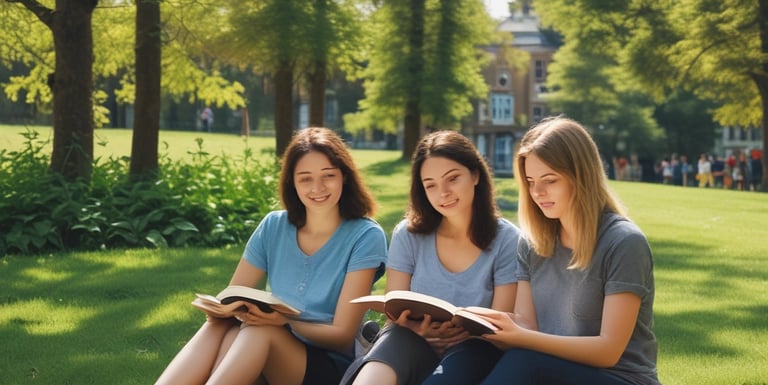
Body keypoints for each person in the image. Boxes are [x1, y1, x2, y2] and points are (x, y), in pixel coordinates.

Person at [154, 127, 388, 385]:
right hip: (264, 344)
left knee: (260, 331)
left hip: (330, 363)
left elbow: (341, 335)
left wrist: (285, 321)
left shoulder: (365, 236)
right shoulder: (273, 225)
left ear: (344, 176)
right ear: (292, 182)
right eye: (305, 178)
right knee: (223, 326)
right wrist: (223, 310)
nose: (317, 187)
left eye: (328, 175)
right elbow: (235, 293)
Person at [475, 116, 661, 385]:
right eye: (529, 181)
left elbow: (608, 351)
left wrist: (521, 336)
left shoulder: (624, 242)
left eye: (549, 180)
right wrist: (480, 324)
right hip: (551, 370)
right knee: (475, 352)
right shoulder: (532, 242)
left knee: (524, 362)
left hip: (619, 378)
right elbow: (527, 326)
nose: (537, 192)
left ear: (581, 177)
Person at [341, 130, 520, 385]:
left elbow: (501, 324)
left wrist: (459, 336)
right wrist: (417, 329)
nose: (443, 193)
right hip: (411, 344)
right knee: (395, 342)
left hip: (475, 352)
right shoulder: (408, 234)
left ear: (476, 175)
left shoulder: (507, 239)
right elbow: (394, 306)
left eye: (453, 179)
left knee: (469, 354)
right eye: (431, 185)